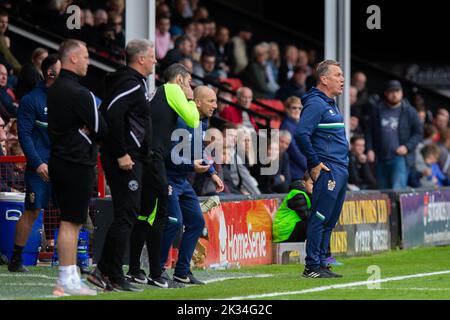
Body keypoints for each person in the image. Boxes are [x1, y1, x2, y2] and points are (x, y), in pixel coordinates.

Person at [86, 39, 157, 292]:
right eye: (152, 56)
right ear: (140, 59)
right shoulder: (129, 83)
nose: (155, 61)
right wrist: (121, 152)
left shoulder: (131, 82)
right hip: (125, 160)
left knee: (126, 214)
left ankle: (104, 271)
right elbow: (111, 113)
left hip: (130, 157)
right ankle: (112, 273)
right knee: (126, 214)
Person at [128, 63, 200, 288]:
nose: (190, 87)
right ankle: (156, 273)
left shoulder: (158, 92)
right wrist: (191, 100)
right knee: (158, 215)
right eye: (189, 83)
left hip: (144, 157)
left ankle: (133, 269)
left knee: (144, 214)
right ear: (179, 79)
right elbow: (193, 120)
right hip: (154, 158)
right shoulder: (173, 90)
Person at [48, 39, 107, 296]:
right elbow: (102, 129)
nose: (88, 62)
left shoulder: (55, 89)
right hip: (76, 162)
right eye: (85, 57)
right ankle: (66, 280)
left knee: (69, 221)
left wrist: (87, 128)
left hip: (60, 160)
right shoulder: (80, 93)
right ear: (72, 58)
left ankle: (69, 277)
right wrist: (90, 131)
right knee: (72, 223)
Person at [159, 86, 224, 285]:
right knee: (174, 222)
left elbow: (198, 149)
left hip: (182, 180)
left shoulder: (201, 123)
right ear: (197, 102)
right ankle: (158, 269)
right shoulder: (180, 121)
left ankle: (181, 271)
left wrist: (212, 173)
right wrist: (191, 166)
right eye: (211, 101)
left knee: (196, 223)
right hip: (168, 178)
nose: (215, 105)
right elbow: (169, 154)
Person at [8, 54, 61, 273]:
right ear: (50, 73)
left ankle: (69, 260)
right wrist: (38, 163)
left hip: (62, 165)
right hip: (39, 167)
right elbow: (25, 136)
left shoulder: (65, 98)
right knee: (32, 210)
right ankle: (16, 259)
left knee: (70, 211)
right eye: (61, 70)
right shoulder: (32, 100)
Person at [295, 60, 348, 278]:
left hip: (340, 167)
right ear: (324, 79)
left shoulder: (330, 103)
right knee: (319, 216)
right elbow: (301, 134)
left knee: (330, 218)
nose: (342, 79)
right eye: (338, 75)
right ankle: (311, 266)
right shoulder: (316, 104)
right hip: (328, 168)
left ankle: (323, 261)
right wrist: (315, 163)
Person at [366, 80, 423, 190]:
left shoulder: (409, 111)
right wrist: (369, 149)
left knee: (397, 189)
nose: (394, 94)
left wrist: (407, 146)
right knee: (383, 191)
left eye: (397, 91)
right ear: (386, 93)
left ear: (401, 93)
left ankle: (397, 208)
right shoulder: (377, 110)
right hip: (380, 156)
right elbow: (369, 131)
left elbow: (418, 132)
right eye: (391, 91)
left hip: (400, 157)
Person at [273, 173, 313, 243]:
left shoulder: (306, 194)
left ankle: (321, 252)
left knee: (318, 224)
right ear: (304, 183)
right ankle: (321, 252)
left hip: (290, 229)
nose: (314, 186)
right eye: (312, 184)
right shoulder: (298, 194)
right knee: (316, 224)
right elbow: (306, 216)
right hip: (285, 232)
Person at [280, 96, 307, 180]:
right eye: (294, 108)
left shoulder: (298, 124)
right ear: (287, 109)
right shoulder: (286, 126)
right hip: (295, 171)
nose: (297, 110)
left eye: (300, 108)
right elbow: (294, 150)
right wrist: (309, 165)